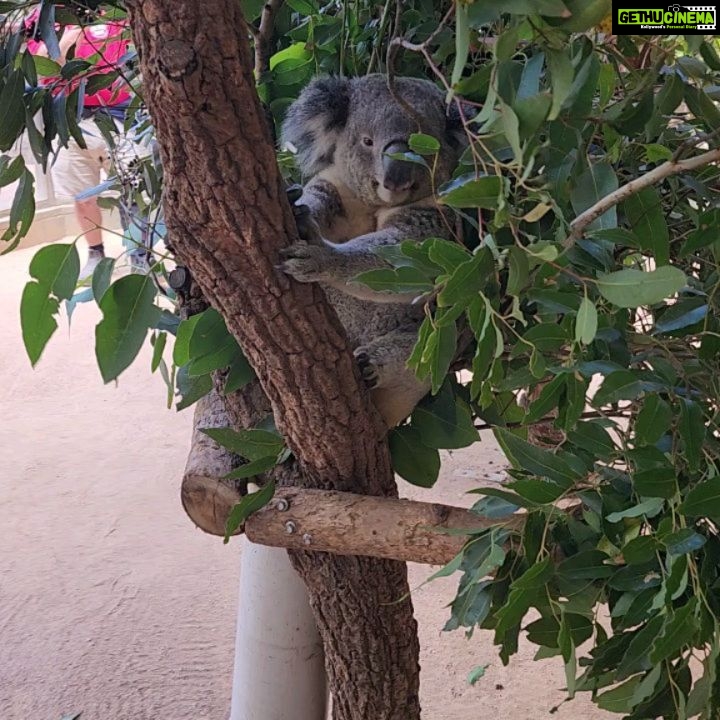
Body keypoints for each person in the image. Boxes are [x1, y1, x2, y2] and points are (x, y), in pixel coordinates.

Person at [26, 9, 133, 279]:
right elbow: (36, 69)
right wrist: (67, 39)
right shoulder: (45, 16)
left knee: (134, 190)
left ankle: (139, 255)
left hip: (121, 115)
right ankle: (96, 253)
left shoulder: (118, 10)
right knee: (83, 196)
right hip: (70, 120)